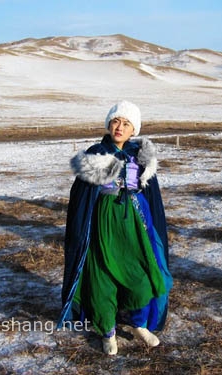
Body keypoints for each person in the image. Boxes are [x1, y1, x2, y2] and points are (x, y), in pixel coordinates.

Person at [57, 100, 173, 355]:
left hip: (136, 222)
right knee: (102, 277)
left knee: (142, 274)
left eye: (126, 123)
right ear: (109, 124)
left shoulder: (141, 156)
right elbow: (81, 197)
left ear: (134, 130)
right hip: (102, 223)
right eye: (116, 121)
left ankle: (138, 323)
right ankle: (107, 331)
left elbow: (150, 194)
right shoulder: (96, 153)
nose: (120, 127)